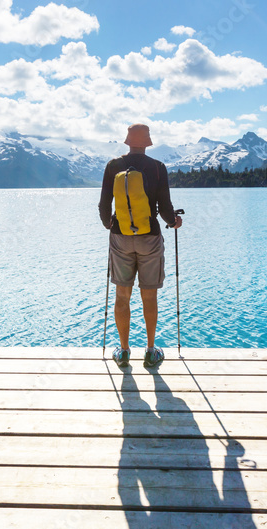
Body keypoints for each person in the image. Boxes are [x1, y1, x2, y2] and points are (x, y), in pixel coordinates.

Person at [99, 123, 182, 369]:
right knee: (149, 295)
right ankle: (150, 351)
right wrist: (173, 221)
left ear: (127, 142)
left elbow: (104, 204)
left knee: (122, 294)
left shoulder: (113, 166)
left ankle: (124, 352)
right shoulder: (157, 168)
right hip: (150, 237)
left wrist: (110, 225)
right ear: (147, 143)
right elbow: (165, 206)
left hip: (120, 236)